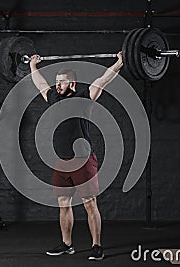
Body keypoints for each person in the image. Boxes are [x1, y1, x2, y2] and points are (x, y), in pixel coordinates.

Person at [29, 52, 123, 261]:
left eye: (61, 83)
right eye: (56, 82)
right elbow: (40, 84)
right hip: (62, 162)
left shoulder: (84, 95)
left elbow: (104, 79)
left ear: (71, 83)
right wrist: (33, 66)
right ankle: (67, 244)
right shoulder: (54, 97)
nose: (57, 86)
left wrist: (120, 62)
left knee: (90, 204)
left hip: (83, 161)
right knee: (64, 204)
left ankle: (97, 246)